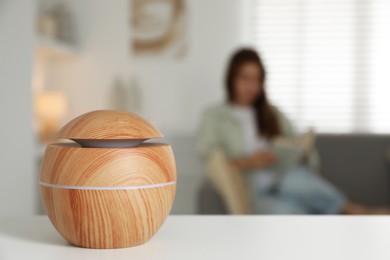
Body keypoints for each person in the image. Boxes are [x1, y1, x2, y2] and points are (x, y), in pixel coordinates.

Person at [197, 48, 385, 214]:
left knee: (295, 182)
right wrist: (251, 161)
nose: (252, 86)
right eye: (246, 78)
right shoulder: (214, 117)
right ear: (232, 78)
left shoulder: (272, 113)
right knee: (290, 211)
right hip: (253, 190)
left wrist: (296, 152)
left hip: (282, 178)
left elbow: (295, 143)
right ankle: (350, 213)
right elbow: (214, 161)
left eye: (257, 79)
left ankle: (354, 211)